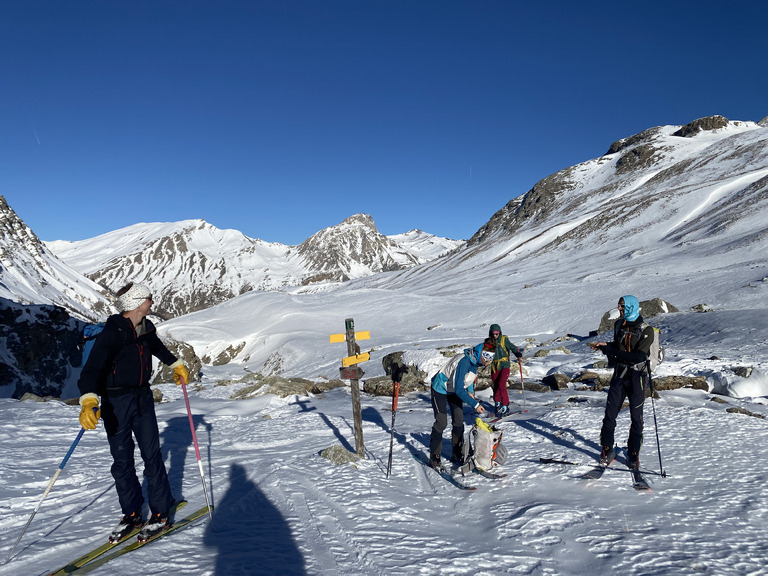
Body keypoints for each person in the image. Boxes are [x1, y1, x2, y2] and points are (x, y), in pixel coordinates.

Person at [78, 282, 190, 543]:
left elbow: (157, 347)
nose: (152, 302)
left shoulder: (145, 327)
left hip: (142, 398)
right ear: (139, 302)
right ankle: (131, 514)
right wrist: (88, 401)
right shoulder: (112, 334)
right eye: (150, 298)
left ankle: (160, 512)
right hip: (115, 402)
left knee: (152, 456)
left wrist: (177, 364)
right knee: (122, 461)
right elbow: (92, 371)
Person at [589, 295, 654, 470]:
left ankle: (633, 454)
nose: (619, 309)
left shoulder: (646, 330)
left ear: (632, 307)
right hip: (619, 374)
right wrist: (605, 346)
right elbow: (618, 347)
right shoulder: (619, 325)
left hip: (637, 377)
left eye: (622, 306)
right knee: (610, 414)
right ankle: (607, 449)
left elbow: (639, 356)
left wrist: (613, 351)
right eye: (619, 306)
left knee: (636, 416)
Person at [428, 339, 493, 468]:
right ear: (480, 354)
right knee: (441, 422)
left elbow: (468, 379)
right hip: (440, 389)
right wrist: (474, 404)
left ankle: (457, 453)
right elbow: (459, 389)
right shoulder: (464, 361)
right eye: (487, 356)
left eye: (491, 357)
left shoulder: (475, 363)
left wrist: (470, 392)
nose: (489, 360)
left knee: (458, 421)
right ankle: (434, 456)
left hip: (454, 391)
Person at [488, 324, 523, 417]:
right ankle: (498, 403)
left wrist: (517, 353)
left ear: (499, 333)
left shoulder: (504, 340)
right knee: (495, 385)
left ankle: (505, 405)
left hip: (504, 365)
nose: (495, 336)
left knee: (501, 385)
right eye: (493, 334)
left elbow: (512, 347)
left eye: (497, 334)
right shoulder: (489, 342)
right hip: (495, 366)